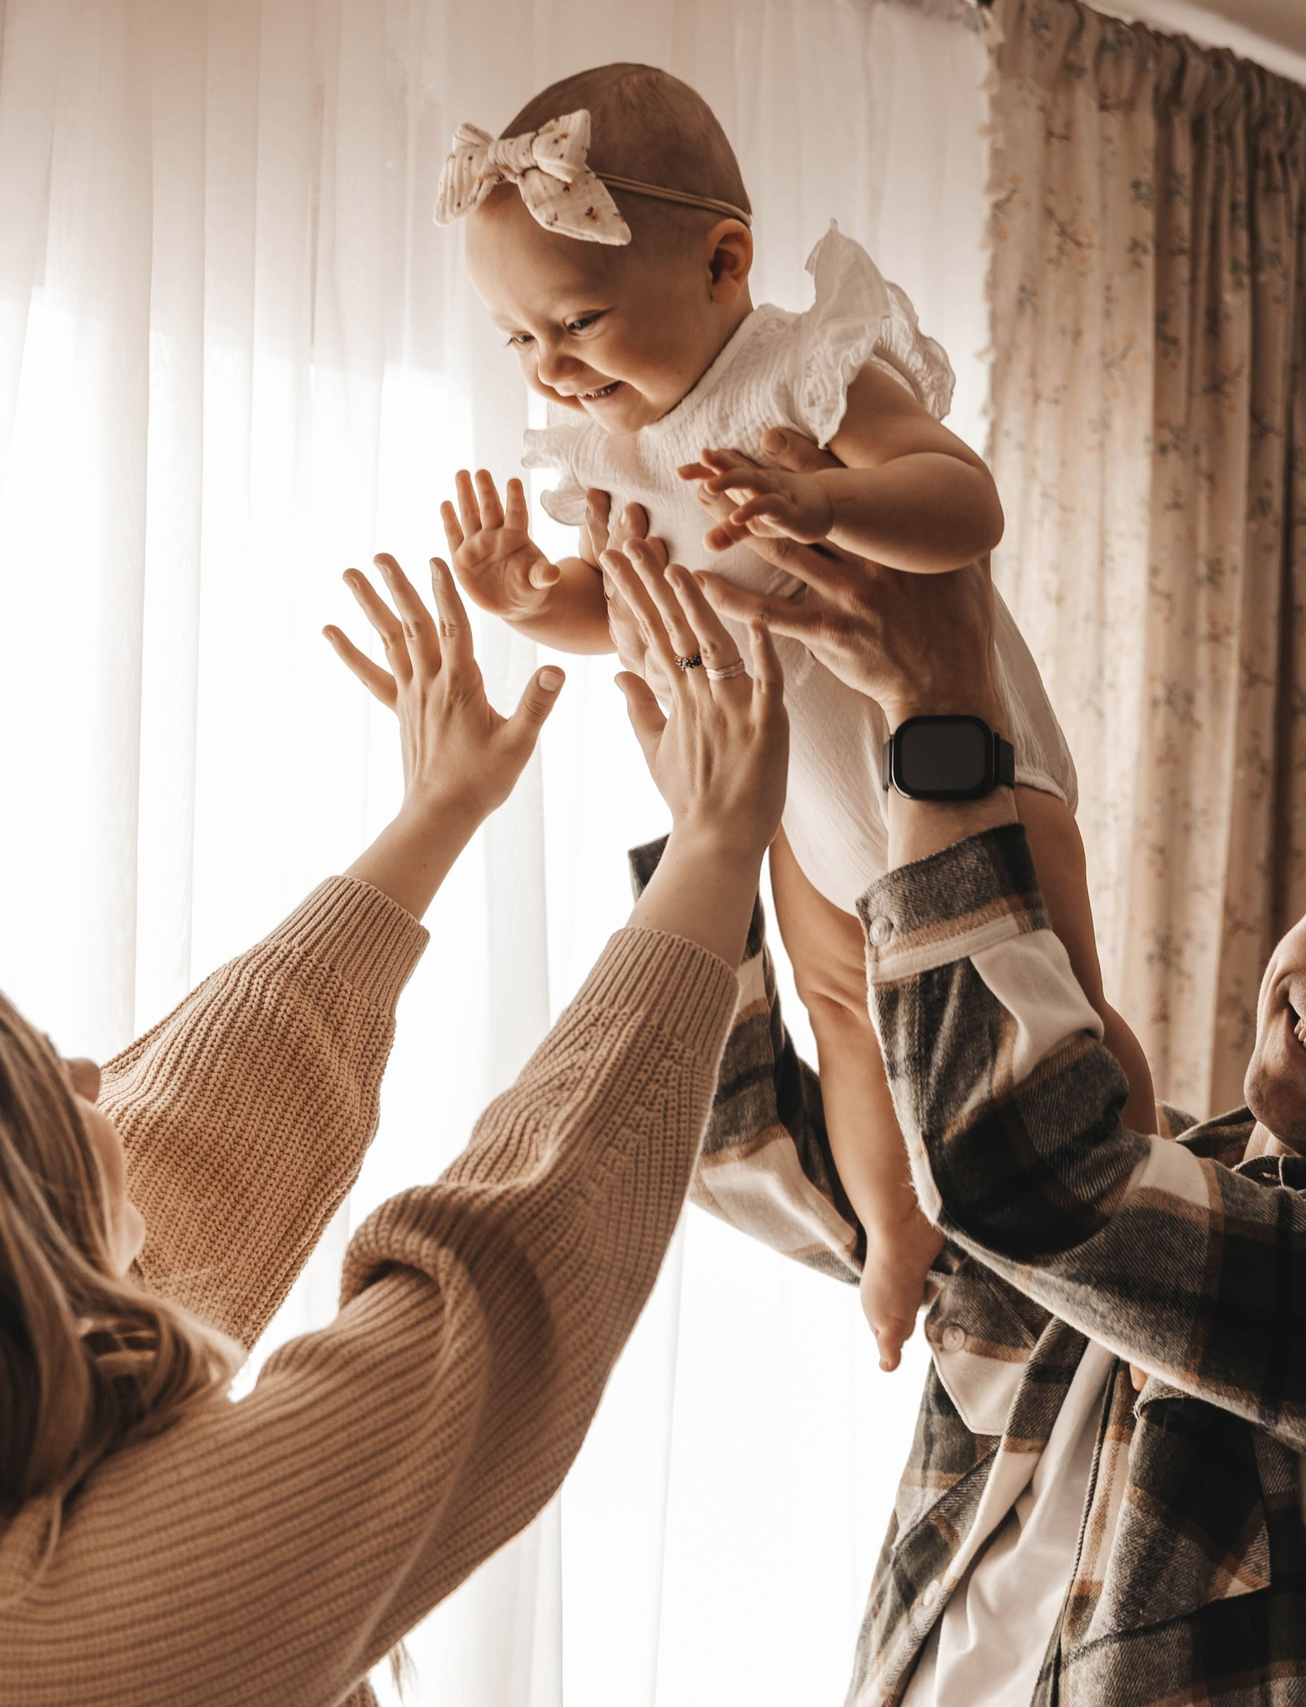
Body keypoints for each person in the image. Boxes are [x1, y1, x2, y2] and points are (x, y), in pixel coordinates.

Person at [0, 546, 790, 1705]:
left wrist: (437, 810)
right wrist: (714, 845)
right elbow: (489, 1301)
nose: (87, 1069)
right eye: (34, 1088)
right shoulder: (45, 1642)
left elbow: (199, 1144)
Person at [619, 476, 1306, 1704]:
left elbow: (1026, 1177)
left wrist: (941, 724)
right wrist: (711, 835)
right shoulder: (1154, 1177)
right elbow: (740, 1157)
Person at [430, 61, 1161, 1375]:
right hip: (811, 821)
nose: (553, 368)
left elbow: (964, 500)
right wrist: (537, 601)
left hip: (960, 768)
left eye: (579, 320)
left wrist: (833, 503)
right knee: (843, 1024)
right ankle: (895, 1234)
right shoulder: (623, 447)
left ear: (724, 265)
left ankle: (1137, 1209)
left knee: (1062, 1006)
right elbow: (641, 605)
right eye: (520, 340)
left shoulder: (802, 375)